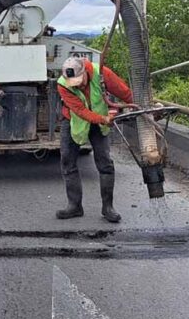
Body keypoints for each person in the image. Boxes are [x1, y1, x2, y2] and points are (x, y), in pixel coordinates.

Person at [56, 56, 134, 223]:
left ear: (85, 70)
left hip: (99, 125)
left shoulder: (102, 74)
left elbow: (125, 93)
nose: (78, 85)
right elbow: (80, 110)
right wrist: (102, 118)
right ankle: (74, 206)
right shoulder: (63, 84)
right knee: (68, 162)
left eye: (79, 81)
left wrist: (143, 107)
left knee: (105, 163)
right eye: (74, 83)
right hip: (73, 121)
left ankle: (108, 208)